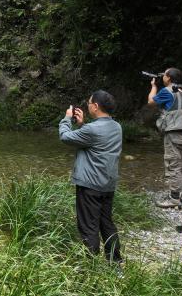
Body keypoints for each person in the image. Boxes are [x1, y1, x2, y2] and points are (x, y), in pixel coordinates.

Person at [59, 90, 123, 262]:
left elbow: (65, 137)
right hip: (108, 185)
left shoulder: (92, 129)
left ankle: (91, 264)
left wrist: (67, 119)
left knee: (88, 226)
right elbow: (95, 141)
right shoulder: (117, 127)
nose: (87, 106)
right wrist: (82, 125)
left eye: (88, 103)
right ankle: (115, 262)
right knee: (106, 223)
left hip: (90, 186)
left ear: (95, 106)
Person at [147, 68, 182, 206]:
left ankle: (174, 198)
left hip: (174, 133)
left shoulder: (166, 91)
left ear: (169, 78)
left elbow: (151, 102)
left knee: (173, 165)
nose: (162, 77)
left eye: (164, 75)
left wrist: (154, 86)